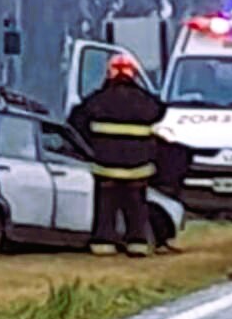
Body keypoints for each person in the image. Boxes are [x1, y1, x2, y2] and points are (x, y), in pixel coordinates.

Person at [68, 54, 167, 258]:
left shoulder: (97, 101)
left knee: (106, 207)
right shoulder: (147, 103)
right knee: (136, 208)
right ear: (133, 75)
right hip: (138, 169)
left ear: (109, 74)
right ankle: (137, 243)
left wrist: (91, 148)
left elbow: (76, 121)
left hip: (106, 167)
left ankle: (103, 243)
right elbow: (160, 114)